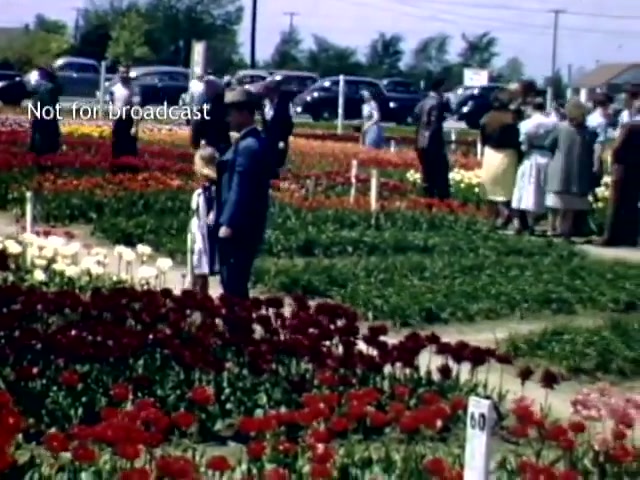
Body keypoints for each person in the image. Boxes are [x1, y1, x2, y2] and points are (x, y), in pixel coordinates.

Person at [215, 88, 271, 299]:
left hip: (240, 227)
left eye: (232, 112)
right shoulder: (249, 141)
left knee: (234, 282)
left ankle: (236, 327)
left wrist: (228, 223)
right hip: (245, 225)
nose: (228, 118)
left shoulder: (249, 146)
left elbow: (241, 187)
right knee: (234, 281)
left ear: (245, 114)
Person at [544, 98, 599, 239]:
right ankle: (565, 230)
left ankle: (553, 228)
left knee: (556, 201)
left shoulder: (560, 128)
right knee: (570, 204)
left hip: (559, 168)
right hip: (578, 171)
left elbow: (548, 144)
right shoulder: (587, 132)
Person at [511, 98, 557, 234]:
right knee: (544, 190)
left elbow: (524, 145)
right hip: (548, 156)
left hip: (532, 157)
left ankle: (528, 223)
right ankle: (547, 223)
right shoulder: (553, 123)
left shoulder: (526, 124)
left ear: (531, 107)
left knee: (528, 190)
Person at [479, 89, 522, 228]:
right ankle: (515, 220)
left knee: (490, 190)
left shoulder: (487, 118)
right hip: (508, 155)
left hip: (490, 154)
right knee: (509, 191)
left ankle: (492, 220)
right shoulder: (512, 118)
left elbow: (483, 139)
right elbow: (518, 139)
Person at [600, 100, 640, 247]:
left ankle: (610, 236)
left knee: (615, 204)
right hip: (637, 169)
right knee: (632, 204)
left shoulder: (629, 126)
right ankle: (630, 237)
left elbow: (616, 148)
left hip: (622, 168)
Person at [189, 144, 219, 294]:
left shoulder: (209, 192)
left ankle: (199, 299)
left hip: (203, 237)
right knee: (197, 270)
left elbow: (207, 218)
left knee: (200, 270)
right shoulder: (207, 190)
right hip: (198, 235)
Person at [414, 77, 451, 199]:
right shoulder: (437, 103)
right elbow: (434, 125)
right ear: (439, 88)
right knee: (439, 172)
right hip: (432, 143)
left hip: (420, 141)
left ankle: (426, 197)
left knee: (426, 173)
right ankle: (438, 199)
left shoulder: (423, 102)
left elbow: (416, 118)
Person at [261, 77, 294, 178]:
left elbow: (289, 123)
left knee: (279, 160)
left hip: (280, 138)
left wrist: (283, 138)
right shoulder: (265, 104)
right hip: (268, 138)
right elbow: (265, 122)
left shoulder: (285, 104)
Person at [190, 77, 231, 155]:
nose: (205, 90)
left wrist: (195, 145)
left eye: (207, 88)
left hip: (210, 146)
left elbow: (196, 126)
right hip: (225, 146)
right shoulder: (228, 105)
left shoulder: (205, 106)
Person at [28, 67, 62, 163]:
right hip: (47, 122)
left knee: (39, 148)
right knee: (47, 150)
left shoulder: (39, 88)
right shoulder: (50, 88)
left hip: (40, 121)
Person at [110, 66, 139, 160]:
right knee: (117, 148)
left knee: (129, 150)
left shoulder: (134, 89)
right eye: (122, 73)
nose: (124, 75)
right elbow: (112, 105)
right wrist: (112, 122)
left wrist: (135, 126)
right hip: (117, 121)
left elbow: (136, 108)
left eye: (126, 73)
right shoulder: (115, 88)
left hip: (128, 121)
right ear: (118, 74)